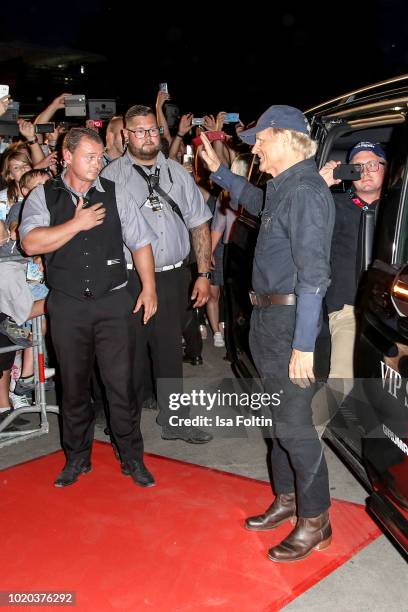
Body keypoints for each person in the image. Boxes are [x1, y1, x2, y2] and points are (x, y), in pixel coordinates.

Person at [201, 105, 335, 562]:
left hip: (290, 326)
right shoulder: (282, 187)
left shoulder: (307, 192)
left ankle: (316, 519)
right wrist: (221, 173)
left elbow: (315, 277)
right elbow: (258, 204)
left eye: (261, 137)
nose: (253, 145)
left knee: (294, 427)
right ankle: (288, 497)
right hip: (269, 323)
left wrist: (302, 345)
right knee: (275, 420)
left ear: (287, 138)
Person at [19, 127, 158, 489]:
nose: (99, 164)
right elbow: (31, 243)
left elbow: (141, 242)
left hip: (113, 301)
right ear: (67, 156)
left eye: (101, 157)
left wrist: (149, 288)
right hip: (67, 306)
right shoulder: (42, 195)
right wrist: (76, 223)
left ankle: (132, 458)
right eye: (90, 157)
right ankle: (77, 459)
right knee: (74, 387)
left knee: (121, 385)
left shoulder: (114, 193)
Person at [101, 105, 213, 444]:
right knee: (128, 351)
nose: (147, 137)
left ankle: (175, 420)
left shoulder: (177, 173)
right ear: (126, 135)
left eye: (152, 130)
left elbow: (199, 224)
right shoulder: (110, 178)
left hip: (173, 276)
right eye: (139, 131)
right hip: (128, 279)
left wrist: (203, 273)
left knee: (169, 350)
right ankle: (125, 421)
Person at [319, 141, 386, 394]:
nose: (366, 171)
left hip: (390, 313)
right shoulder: (331, 205)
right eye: (357, 166)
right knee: (340, 384)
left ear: (387, 169)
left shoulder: (398, 209)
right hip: (348, 309)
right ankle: (306, 434)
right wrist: (319, 186)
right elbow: (294, 221)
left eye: (373, 164)